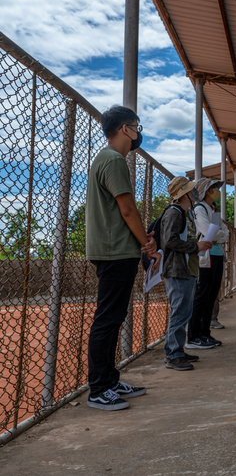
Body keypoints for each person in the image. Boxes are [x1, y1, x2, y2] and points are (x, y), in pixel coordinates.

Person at [85, 105, 158, 411]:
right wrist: (147, 243)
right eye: (136, 126)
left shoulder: (106, 159)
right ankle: (99, 388)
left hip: (114, 250)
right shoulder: (114, 159)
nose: (138, 132)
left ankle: (110, 381)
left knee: (112, 319)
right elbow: (127, 209)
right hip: (115, 251)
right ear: (126, 128)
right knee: (107, 319)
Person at [161, 176, 213, 371]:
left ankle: (177, 351)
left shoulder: (184, 213)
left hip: (186, 268)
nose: (194, 194)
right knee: (179, 312)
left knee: (184, 311)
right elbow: (170, 240)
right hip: (177, 269)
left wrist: (197, 245)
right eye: (190, 191)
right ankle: (173, 354)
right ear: (184, 194)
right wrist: (195, 246)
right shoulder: (174, 213)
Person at [186, 178, 229, 349]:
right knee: (202, 296)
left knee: (211, 296)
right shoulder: (199, 209)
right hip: (205, 258)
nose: (216, 190)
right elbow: (206, 231)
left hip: (217, 256)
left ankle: (205, 334)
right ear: (205, 191)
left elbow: (224, 232)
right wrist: (218, 235)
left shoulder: (214, 209)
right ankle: (194, 336)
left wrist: (218, 235)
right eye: (213, 188)